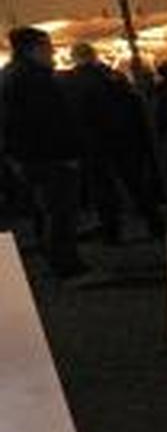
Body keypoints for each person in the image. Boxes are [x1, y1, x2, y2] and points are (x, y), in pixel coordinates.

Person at [2, 27, 89, 277]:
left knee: (50, 211)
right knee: (60, 211)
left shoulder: (13, 74)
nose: (52, 51)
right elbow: (48, 122)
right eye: (47, 46)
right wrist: (67, 154)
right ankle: (67, 265)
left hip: (31, 156)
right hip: (48, 157)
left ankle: (60, 260)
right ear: (34, 48)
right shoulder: (32, 78)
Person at [62, 43, 161, 242]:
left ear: (74, 58)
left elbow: (69, 115)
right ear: (94, 55)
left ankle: (111, 231)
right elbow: (132, 104)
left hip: (91, 143)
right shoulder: (112, 77)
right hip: (121, 138)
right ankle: (154, 223)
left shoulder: (69, 82)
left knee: (102, 188)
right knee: (135, 182)